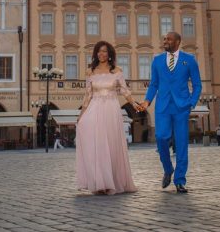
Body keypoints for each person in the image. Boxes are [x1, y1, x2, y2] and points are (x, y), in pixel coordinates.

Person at [139, 31, 202, 194]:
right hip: (163, 106)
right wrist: (147, 101)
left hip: (182, 107)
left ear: (178, 41)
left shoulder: (189, 60)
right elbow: (153, 84)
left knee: (181, 144)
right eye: (164, 39)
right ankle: (168, 168)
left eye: (168, 39)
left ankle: (180, 180)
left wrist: (191, 102)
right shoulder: (157, 61)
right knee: (161, 138)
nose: (165, 41)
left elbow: (197, 85)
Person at [75, 41, 140, 195]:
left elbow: (125, 91)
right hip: (94, 109)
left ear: (110, 54)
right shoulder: (90, 71)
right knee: (97, 146)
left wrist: (134, 103)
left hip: (111, 110)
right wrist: (81, 115)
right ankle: (99, 182)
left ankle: (112, 182)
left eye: (104, 51)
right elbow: (88, 95)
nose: (101, 54)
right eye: (99, 51)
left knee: (111, 145)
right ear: (96, 54)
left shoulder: (117, 71)